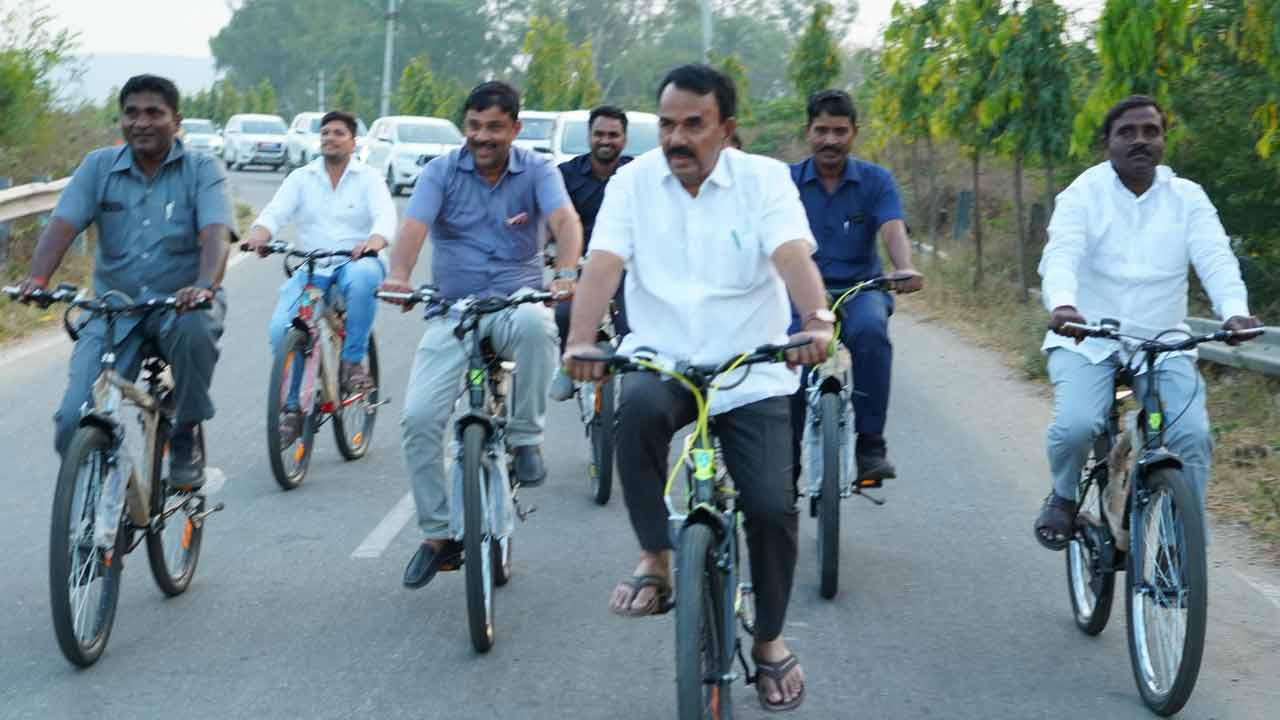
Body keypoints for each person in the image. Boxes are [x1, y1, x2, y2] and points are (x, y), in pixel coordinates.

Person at [563, 64, 832, 713]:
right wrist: (580, 340)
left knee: (770, 507)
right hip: (664, 359)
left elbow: (791, 254)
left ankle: (769, 639)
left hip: (751, 367)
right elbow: (603, 264)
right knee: (636, 409)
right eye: (666, 125)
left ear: (726, 128)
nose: (676, 139)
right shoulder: (633, 182)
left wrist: (816, 320)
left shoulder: (764, 180)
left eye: (693, 124)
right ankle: (656, 556)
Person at [1033, 95, 1263, 549]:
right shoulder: (1083, 193)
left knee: (1192, 435)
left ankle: (1181, 547)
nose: (1140, 140)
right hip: (1088, 338)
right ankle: (1063, 495)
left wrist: (1234, 310)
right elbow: (1061, 253)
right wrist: (1063, 304)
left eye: (1150, 131)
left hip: (1164, 343)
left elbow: (1215, 257)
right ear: (1107, 143)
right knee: (1076, 426)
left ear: (1163, 141)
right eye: (1127, 132)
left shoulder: (1187, 197)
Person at [379, 81, 583, 588]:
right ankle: (438, 536)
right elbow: (413, 228)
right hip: (453, 312)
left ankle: (526, 438)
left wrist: (567, 272)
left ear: (515, 129)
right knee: (418, 419)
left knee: (539, 324)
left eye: (494, 127)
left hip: (516, 304)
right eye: (474, 126)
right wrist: (399, 274)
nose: (482, 137)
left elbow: (565, 220)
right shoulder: (441, 172)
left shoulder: (537, 170)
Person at [14, 74, 231, 491]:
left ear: (176, 121)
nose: (141, 122)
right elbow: (63, 224)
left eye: (154, 113)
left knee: (196, 328)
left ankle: (185, 432)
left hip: (181, 305)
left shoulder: (203, 169)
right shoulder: (98, 166)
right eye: (131, 113)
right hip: (115, 311)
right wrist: (38, 278)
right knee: (71, 420)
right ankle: (105, 499)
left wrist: (204, 284)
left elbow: (216, 234)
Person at [787, 89, 924, 485]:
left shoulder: (876, 180)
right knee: (789, 351)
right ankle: (784, 459)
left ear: (854, 133)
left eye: (839, 131)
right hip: (801, 292)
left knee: (870, 332)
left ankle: (870, 446)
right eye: (821, 130)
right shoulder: (786, 182)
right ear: (808, 132)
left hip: (861, 288)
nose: (830, 140)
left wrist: (904, 267)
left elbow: (892, 227)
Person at [244, 110, 396, 443]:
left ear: (353, 142)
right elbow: (275, 213)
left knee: (363, 278)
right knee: (282, 329)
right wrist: (259, 235)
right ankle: (294, 407)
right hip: (312, 269)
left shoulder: (369, 178)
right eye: (325, 132)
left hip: (354, 264)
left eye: (338, 133)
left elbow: (385, 218)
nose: (330, 138)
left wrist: (373, 243)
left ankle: (352, 363)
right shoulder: (302, 177)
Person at [549, 105, 633, 400]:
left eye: (613, 135)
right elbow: (551, 221)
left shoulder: (636, 175)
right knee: (564, 312)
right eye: (599, 134)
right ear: (589, 136)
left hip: (627, 267)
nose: (605, 140)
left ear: (624, 139)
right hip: (580, 266)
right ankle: (567, 364)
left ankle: (634, 386)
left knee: (633, 324)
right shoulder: (565, 175)